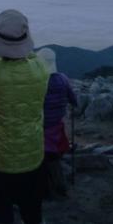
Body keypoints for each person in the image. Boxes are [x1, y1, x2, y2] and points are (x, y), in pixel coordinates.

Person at [0, 9, 49, 224]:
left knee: (1, 212)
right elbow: (30, 56)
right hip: (32, 155)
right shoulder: (41, 68)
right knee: (32, 212)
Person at [37, 47, 78, 199]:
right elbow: (74, 100)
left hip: (39, 126)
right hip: (57, 125)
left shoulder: (37, 81)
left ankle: (47, 188)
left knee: (44, 157)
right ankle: (57, 185)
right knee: (52, 154)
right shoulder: (63, 79)